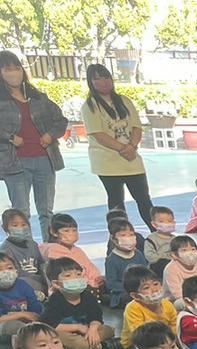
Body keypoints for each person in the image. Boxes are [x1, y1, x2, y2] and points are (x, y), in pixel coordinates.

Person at [0, 52, 67, 246]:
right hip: (14, 163)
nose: (14, 73)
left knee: (46, 212)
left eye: (17, 68)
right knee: (21, 212)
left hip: (45, 159)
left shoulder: (38, 97)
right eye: (7, 69)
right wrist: (10, 137)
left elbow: (60, 121)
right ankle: (25, 250)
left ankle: (50, 250)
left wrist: (50, 135)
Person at [81, 64, 154, 227]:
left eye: (106, 77)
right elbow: (98, 134)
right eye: (98, 79)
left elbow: (136, 127)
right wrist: (123, 148)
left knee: (144, 199)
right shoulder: (90, 106)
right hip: (107, 163)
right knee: (116, 202)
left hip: (132, 159)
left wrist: (132, 146)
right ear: (91, 82)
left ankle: (157, 233)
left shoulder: (124, 101)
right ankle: (120, 234)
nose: (104, 82)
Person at [40, 258, 107, 349]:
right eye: (68, 275)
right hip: (67, 334)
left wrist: (93, 329)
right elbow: (50, 326)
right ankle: (97, 345)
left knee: (108, 330)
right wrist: (78, 328)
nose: (75, 278)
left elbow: (96, 317)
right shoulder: (54, 300)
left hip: (87, 331)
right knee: (57, 336)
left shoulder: (88, 296)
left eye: (78, 274)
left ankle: (83, 346)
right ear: (56, 284)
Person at [41, 213, 103, 292]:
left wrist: (97, 279)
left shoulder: (77, 250)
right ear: (53, 232)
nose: (71, 233)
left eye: (74, 230)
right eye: (66, 231)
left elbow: (91, 268)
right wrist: (92, 283)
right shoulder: (53, 250)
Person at [120, 266, 178, 349]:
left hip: (164, 341)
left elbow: (174, 325)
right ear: (136, 296)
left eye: (156, 284)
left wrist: (172, 340)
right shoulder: (133, 309)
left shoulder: (167, 304)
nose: (155, 289)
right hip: (137, 343)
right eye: (146, 288)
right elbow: (139, 335)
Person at [104, 218, 149, 309]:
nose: (128, 238)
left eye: (131, 235)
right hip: (123, 293)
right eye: (123, 235)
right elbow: (111, 283)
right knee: (131, 297)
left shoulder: (138, 254)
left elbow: (147, 273)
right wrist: (132, 287)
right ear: (113, 239)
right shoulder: (111, 260)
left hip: (142, 287)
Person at [0, 250, 42, 346]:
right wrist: (22, 315)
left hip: (28, 322)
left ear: (16, 270)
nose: (5, 272)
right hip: (5, 324)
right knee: (13, 326)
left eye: (9, 268)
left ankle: (24, 339)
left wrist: (36, 317)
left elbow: (35, 307)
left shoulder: (23, 285)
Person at [3, 209, 47, 297]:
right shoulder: (5, 249)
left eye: (23, 225)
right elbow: (15, 272)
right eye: (15, 225)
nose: (20, 228)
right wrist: (37, 280)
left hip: (39, 281)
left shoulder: (33, 244)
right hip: (22, 282)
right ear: (5, 228)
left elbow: (41, 264)